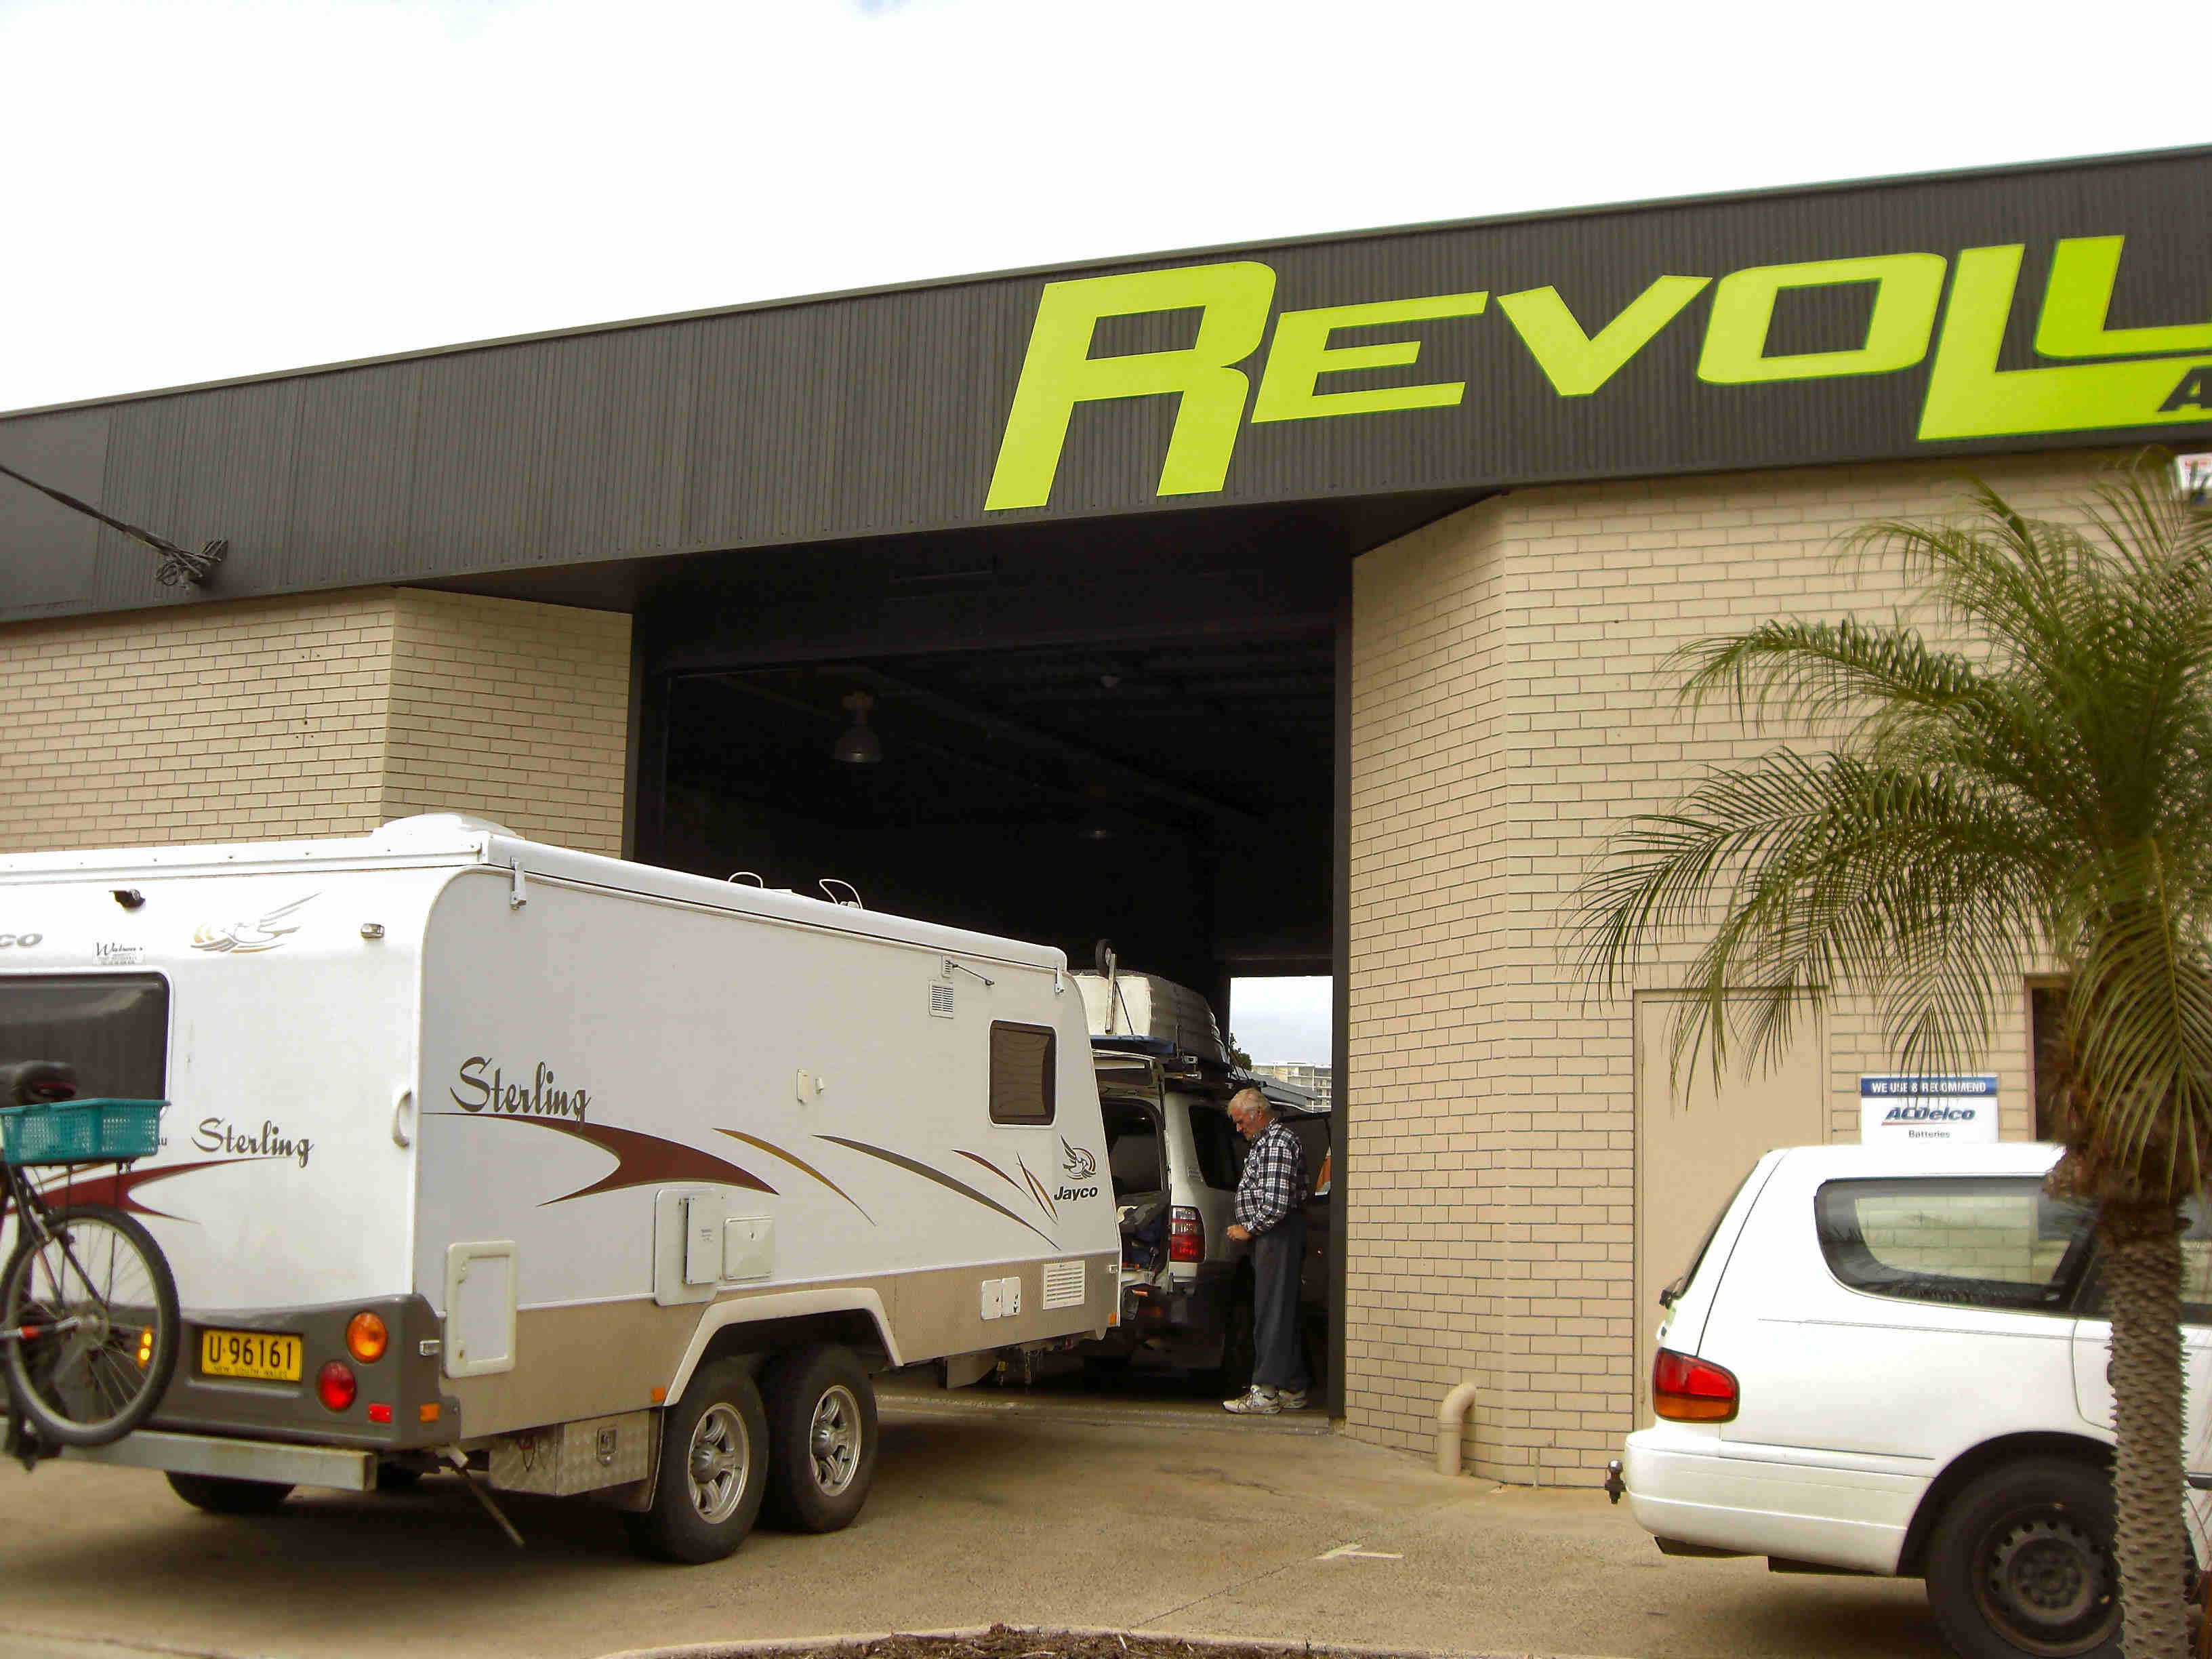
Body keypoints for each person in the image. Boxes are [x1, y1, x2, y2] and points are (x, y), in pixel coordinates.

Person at [1221, 1084, 1310, 1414]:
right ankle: (1293, 1384)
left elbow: (1276, 1203)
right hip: (1273, 1235)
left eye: (1242, 1122)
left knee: (1270, 1312)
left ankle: (1266, 1390)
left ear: (1258, 1114)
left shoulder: (1277, 1143)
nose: (1239, 1128)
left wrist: (1249, 1229)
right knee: (1281, 1310)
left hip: (1277, 1235)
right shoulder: (1264, 1143)